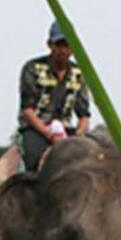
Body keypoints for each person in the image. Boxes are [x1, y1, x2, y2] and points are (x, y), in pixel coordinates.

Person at [17, 19, 91, 171]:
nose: (64, 50)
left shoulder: (79, 73)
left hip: (67, 130)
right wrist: (49, 133)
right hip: (37, 129)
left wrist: (79, 134)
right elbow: (27, 110)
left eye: (68, 45)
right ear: (50, 45)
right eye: (59, 45)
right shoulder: (33, 68)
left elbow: (83, 114)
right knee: (33, 158)